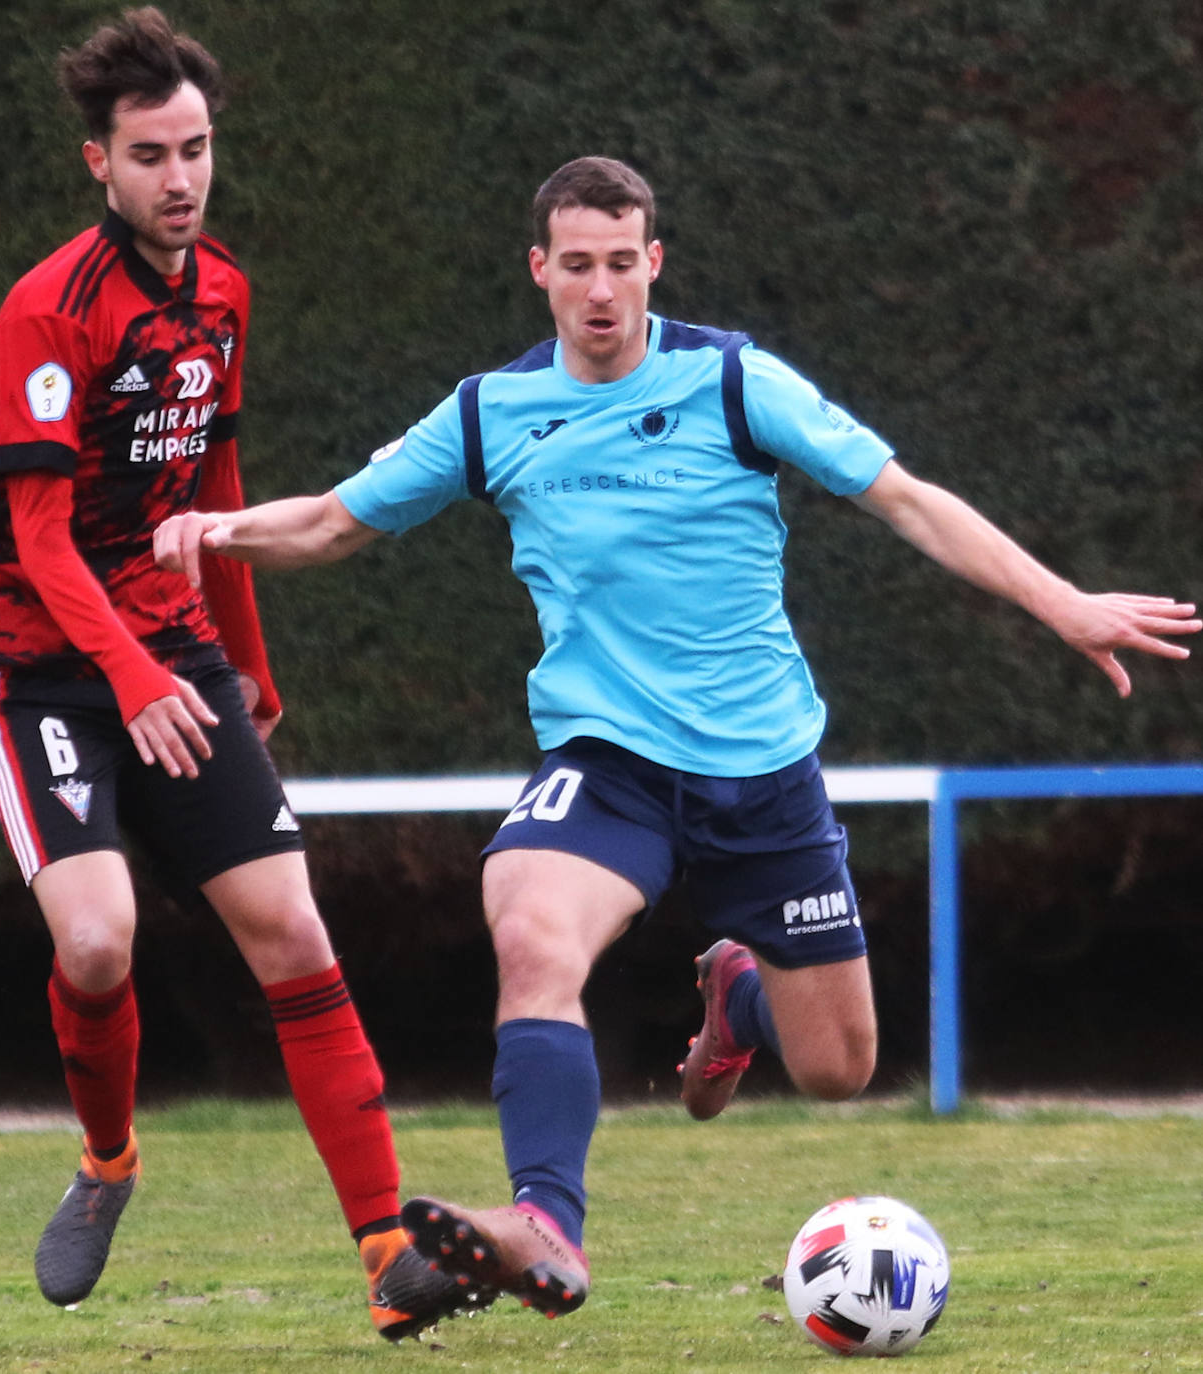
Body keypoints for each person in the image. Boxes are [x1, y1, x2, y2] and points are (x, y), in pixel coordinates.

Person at [152, 155, 1200, 1318]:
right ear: (539, 270)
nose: (600, 291)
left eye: (621, 264)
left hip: (761, 774)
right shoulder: (489, 413)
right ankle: (544, 1219)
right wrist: (215, 529)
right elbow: (330, 523)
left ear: (652, 263)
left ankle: (739, 999)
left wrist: (1062, 603)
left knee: (837, 1068)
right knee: (531, 933)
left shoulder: (735, 381)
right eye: (577, 266)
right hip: (607, 765)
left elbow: (901, 496)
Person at [0, 7, 492, 1341]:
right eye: (149, 155)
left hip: (170, 651)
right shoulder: (48, 313)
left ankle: (387, 1256)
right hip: (43, 661)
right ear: (98, 163)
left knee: (293, 931)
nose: (179, 177)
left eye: (194, 149)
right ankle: (108, 1159)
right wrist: (131, 679)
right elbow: (38, 537)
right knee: (96, 939)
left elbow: (214, 484)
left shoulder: (223, 291)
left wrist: (245, 663)